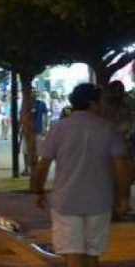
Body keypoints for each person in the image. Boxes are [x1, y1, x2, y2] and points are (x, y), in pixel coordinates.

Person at [33, 83, 130, 267]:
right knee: (92, 254)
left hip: (65, 201)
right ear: (92, 103)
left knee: (72, 254)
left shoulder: (59, 128)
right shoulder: (108, 129)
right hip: (99, 201)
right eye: (101, 101)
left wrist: (38, 190)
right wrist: (123, 196)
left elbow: (43, 163)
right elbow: (120, 165)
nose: (104, 105)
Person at [22, 89, 49, 176]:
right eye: (32, 91)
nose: (34, 93)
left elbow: (45, 116)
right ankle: (26, 168)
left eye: (35, 91)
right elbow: (21, 116)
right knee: (26, 150)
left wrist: (46, 128)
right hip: (26, 131)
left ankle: (34, 167)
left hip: (38, 130)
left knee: (37, 150)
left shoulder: (42, 104)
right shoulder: (25, 104)